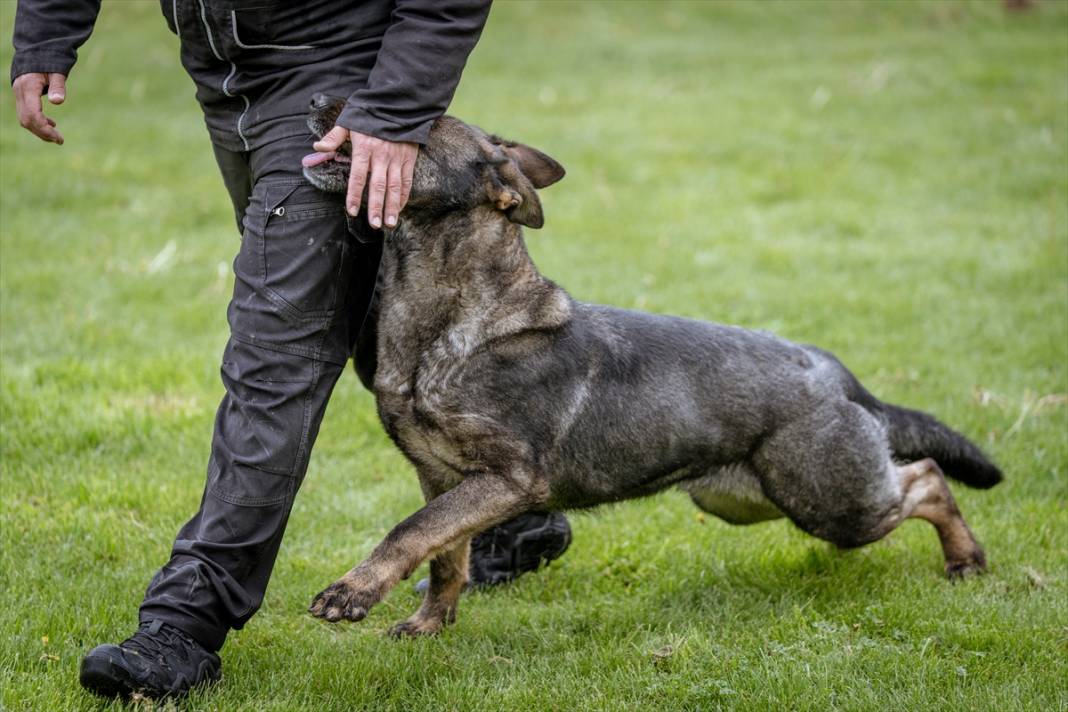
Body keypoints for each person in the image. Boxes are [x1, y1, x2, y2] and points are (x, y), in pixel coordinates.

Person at [11, 0, 571, 699]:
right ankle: (508, 515)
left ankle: (183, 624)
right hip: (222, 77)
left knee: (277, 352)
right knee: (359, 308)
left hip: (338, 72)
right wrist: (45, 35)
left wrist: (395, 109)